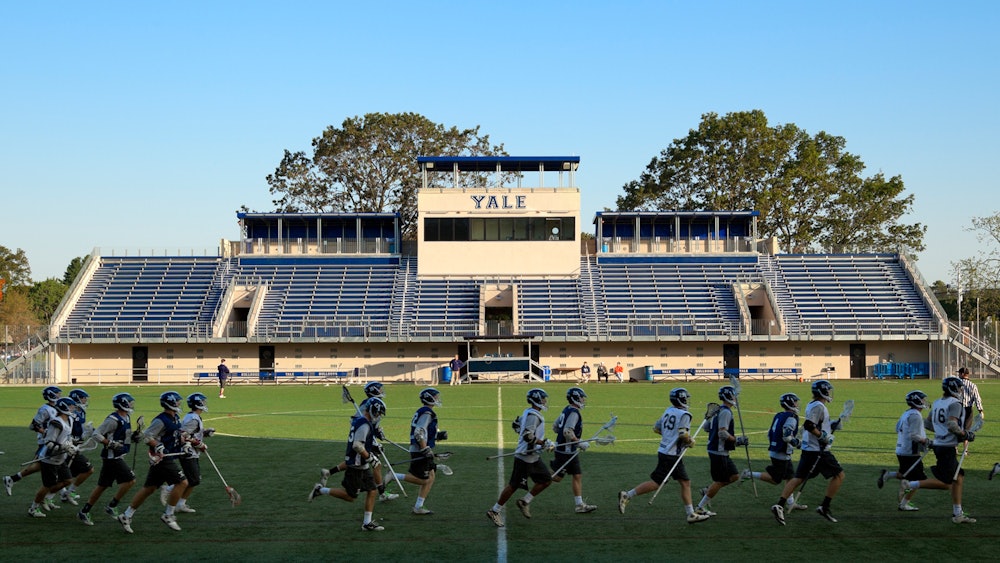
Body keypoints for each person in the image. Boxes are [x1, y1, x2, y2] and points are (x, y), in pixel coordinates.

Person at [617, 388, 710, 524]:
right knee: (682, 482)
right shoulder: (685, 414)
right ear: (681, 399)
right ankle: (690, 513)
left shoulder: (668, 410)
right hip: (672, 455)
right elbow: (683, 434)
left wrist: (670, 437)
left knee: (662, 482)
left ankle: (628, 495)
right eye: (686, 398)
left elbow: (656, 428)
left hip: (664, 451)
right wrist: (690, 441)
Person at [898, 377, 976, 524]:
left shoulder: (938, 402)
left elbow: (928, 423)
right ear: (953, 388)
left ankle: (957, 513)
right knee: (948, 483)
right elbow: (952, 425)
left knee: (958, 477)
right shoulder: (955, 404)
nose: (960, 391)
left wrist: (941, 432)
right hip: (946, 447)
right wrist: (964, 434)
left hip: (939, 444)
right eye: (959, 388)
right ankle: (911, 484)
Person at [770, 379, 845, 525]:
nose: (830, 393)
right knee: (839, 475)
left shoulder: (813, 405)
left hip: (809, 449)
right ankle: (824, 506)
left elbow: (815, 423)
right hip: (817, 450)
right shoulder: (818, 406)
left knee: (798, 478)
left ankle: (779, 505)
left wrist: (831, 425)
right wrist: (823, 436)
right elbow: (810, 425)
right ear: (823, 391)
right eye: (828, 390)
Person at [309, 397, 388, 532]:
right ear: (372, 410)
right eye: (378, 413)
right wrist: (371, 458)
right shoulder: (364, 424)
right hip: (356, 466)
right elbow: (357, 445)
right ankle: (320, 490)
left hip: (362, 464)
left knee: (372, 490)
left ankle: (367, 523)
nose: (378, 416)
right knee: (350, 497)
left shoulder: (363, 422)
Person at [116, 391, 190, 534]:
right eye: (178, 401)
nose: (180, 404)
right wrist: (157, 445)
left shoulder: (175, 417)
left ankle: (126, 515)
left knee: (149, 488)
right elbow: (147, 436)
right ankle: (168, 514)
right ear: (171, 402)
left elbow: (176, 436)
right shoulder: (161, 420)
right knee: (182, 483)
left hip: (166, 457)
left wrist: (185, 444)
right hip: (161, 459)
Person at [320, 382, 399, 502]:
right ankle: (382, 493)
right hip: (362, 438)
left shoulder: (373, 403)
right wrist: (372, 442)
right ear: (374, 391)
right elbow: (360, 422)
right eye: (380, 389)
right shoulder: (367, 405)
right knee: (374, 464)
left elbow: (373, 423)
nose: (382, 391)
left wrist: (378, 432)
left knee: (356, 461)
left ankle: (328, 472)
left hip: (366, 436)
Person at [487, 388, 555, 527]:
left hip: (534, 457)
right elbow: (527, 436)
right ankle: (495, 511)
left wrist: (540, 445)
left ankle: (524, 501)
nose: (545, 401)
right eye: (543, 399)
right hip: (525, 457)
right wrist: (543, 442)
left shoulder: (529, 412)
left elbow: (516, 425)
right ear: (536, 399)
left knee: (546, 480)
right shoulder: (533, 416)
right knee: (513, 485)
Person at [76, 393, 140, 526]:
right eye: (129, 402)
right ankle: (112, 505)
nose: (131, 404)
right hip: (112, 457)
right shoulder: (113, 419)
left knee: (102, 486)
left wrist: (134, 437)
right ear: (122, 403)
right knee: (130, 480)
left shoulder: (126, 417)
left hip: (117, 455)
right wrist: (109, 443)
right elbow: (96, 434)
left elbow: (124, 435)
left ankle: (85, 511)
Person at [742, 393, 808, 512]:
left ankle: (790, 502)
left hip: (776, 449)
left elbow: (770, 433)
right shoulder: (791, 417)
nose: (797, 404)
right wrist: (798, 443)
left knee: (790, 476)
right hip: (781, 452)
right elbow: (787, 436)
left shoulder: (779, 415)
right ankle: (749, 474)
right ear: (790, 403)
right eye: (795, 402)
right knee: (776, 479)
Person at [694, 386, 748, 518]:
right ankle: (700, 507)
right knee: (719, 481)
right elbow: (722, 433)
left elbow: (707, 428)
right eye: (734, 395)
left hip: (719, 450)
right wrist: (738, 440)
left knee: (734, 476)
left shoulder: (718, 411)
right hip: (718, 451)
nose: (735, 398)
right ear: (729, 396)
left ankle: (708, 490)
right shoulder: (725, 412)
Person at [159, 393, 214, 513]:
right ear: (198, 404)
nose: (205, 404)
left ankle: (181, 504)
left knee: (194, 479)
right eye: (203, 402)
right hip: (187, 452)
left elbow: (193, 432)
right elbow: (183, 436)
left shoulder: (194, 417)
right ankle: (168, 489)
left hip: (192, 452)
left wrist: (204, 433)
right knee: (194, 479)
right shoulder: (193, 419)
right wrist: (199, 444)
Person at [876, 390, 929, 511]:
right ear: (917, 401)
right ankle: (904, 503)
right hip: (910, 451)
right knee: (918, 480)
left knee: (906, 473)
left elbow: (897, 428)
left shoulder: (907, 413)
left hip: (901, 449)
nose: (924, 401)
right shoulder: (915, 415)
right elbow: (914, 436)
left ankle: (888, 475)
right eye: (922, 399)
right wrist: (926, 441)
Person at [4, 386, 62, 496]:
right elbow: (33, 425)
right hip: (45, 441)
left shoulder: (57, 407)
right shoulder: (45, 409)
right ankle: (52, 495)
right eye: (58, 393)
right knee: (49, 467)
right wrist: (45, 432)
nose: (60, 395)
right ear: (51, 395)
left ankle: (12, 479)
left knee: (44, 466)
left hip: (53, 440)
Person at [28, 397, 78, 518]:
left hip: (61, 458)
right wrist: (63, 448)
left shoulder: (69, 419)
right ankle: (33, 508)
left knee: (67, 480)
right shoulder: (56, 422)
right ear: (64, 407)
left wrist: (71, 444)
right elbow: (49, 442)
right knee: (47, 485)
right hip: (49, 459)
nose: (73, 408)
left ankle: (45, 498)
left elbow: (67, 437)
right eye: (71, 406)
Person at [395, 387, 441, 514]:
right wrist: (424, 448)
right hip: (420, 449)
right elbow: (419, 432)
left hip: (423, 447)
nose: (438, 399)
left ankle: (418, 506)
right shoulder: (427, 412)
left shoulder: (426, 411)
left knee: (431, 476)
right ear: (429, 398)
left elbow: (425, 431)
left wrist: (438, 436)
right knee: (423, 479)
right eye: (435, 396)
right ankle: (394, 476)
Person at [551, 387, 597, 514]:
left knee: (577, 475)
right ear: (576, 398)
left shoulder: (567, 409)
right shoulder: (574, 413)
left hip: (569, 449)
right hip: (565, 451)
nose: (583, 400)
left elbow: (555, 427)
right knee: (557, 478)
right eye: (582, 397)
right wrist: (579, 442)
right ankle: (535, 473)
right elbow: (567, 431)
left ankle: (579, 505)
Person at [61, 389, 95, 506]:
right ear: (77, 398)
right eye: (83, 397)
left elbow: (79, 431)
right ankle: (64, 493)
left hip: (74, 445)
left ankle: (65, 493)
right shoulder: (72, 413)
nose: (85, 400)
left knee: (67, 473)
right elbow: (67, 429)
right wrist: (71, 440)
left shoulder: (80, 411)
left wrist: (87, 432)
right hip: (68, 445)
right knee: (85, 470)